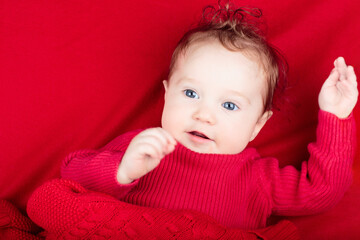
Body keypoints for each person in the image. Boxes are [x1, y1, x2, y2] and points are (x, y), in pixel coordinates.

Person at [61, 3, 358, 230]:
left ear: (257, 125)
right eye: (190, 94)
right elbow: (71, 172)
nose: (204, 115)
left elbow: (321, 192)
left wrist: (336, 116)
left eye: (229, 106)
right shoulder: (141, 147)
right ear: (167, 94)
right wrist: (122, 171)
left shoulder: (259, 179)